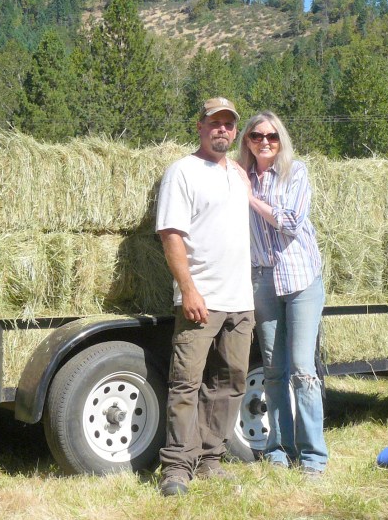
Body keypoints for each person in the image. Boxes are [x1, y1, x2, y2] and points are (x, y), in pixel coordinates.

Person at [155, 97, 255, 496]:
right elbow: (171, 235)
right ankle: (177, 469)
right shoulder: (183, 171)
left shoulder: (238, 174)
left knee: (229, 383)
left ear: (235, 131)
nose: (222, 129)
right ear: (199, 127)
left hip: (240, 299)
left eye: (229, 124)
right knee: (186, 383)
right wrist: (188, 289)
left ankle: (211, 460)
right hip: (202, 298)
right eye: (215, 123)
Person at [237, 110, 328, 476]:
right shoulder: (238, 175)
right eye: (257, 136)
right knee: (274, 371)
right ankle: (278, 451)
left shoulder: (295, 172)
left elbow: (290, 222)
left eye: (272, 136)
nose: (265, 142)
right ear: (247, 140)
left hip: (301, 279)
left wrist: (250, 199)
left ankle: (313, 458)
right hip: (263, 280)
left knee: (303, 370)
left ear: (281, 140)